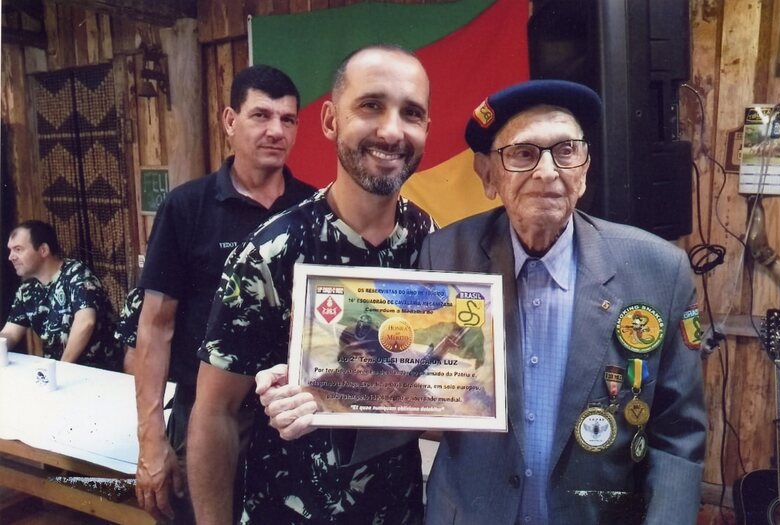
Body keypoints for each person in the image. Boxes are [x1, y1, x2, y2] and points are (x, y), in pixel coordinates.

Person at [261, 80, 707, 524]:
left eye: (565, 150)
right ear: (488, 175)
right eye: (523, 154)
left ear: (585, 168)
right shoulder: (444, 254)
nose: (547, 172)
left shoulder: (658, 270)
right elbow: (409, 383)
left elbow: (678, 435)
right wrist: (317, 389)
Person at [188, 44, 435, 524]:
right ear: (330, 121)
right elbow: (215, 412)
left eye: (411, 113)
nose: (391, 130)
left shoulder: (432, 245)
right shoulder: (270, 253)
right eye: (371, 106)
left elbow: (445, 398)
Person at [134, 65, 316, 522]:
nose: (276, 130)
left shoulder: (315, 210)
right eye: (261, 115)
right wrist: (151, 440)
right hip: (207, 413)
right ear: (230, 121)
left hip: (293, 416)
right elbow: (155, 327)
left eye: (288, 119)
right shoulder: (186, 207)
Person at [1, 220, 122, 371]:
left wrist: (62, 368)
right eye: (11, 250)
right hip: (57, 371)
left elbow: (86, 322)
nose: (11, 257)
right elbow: (11, 333)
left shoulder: (76, 274)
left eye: (18, 249)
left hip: (96, 371)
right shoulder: (27, 289)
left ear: (43, 250)